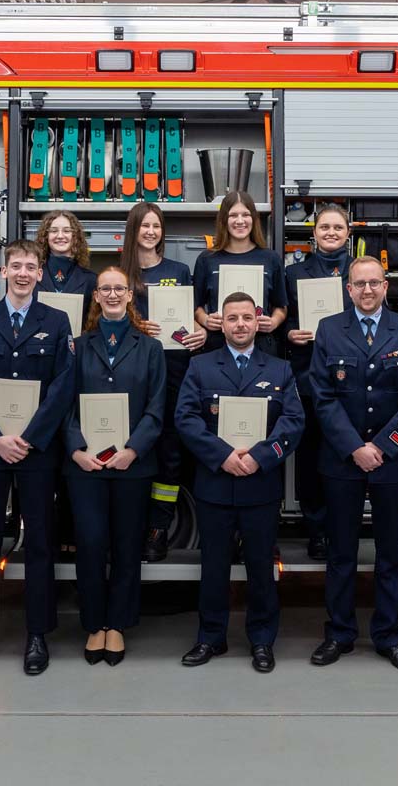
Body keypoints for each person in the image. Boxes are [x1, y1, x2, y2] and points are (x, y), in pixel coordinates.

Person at [0, 240, 75, 676]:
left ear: (40, 274)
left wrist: (28, 437)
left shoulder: (57, 322)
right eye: (16, 266)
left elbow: (63, 386)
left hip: (36, 449)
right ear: (3, 272)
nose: (23, 273)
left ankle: (38, 634)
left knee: (41, 541)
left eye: (30, 267)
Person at [308, 255, 398, 673]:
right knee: (340, 552)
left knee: (391, 553)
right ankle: (339, 633)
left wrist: (382, 447)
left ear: (385, 286)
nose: (366, 290)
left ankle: (388, 636)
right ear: (348, 289)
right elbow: (321, 397)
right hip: (342, 461)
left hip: (390, 462)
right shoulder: (329, 330)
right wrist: (353, 447)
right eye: (358, 284)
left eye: (373, 283)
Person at [175, 292, 303, 673]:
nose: (241, 324)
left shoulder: (280, 369)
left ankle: (262, 640)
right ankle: (210, 637)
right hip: (215, 485)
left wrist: (260, 458)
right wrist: (223, 456)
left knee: (261, 568)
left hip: (260, 486)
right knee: (213, 567)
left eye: (247, 317)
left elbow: (293, 423)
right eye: (232, 318)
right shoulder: (199, 367)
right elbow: (186, 420)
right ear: (223, 323)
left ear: (257, 320)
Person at [64, 267, 165, 665]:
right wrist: (75, 449)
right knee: (90, 544)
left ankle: (118, 624)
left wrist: (133, 449)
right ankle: (94, 624)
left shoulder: (150, 347)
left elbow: (157, 408)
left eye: (118, 288)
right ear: (95, 297)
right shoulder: (76, 346)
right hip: (85, 465)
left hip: (131, 466)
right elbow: (63, 405)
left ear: (129, 296)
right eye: (104, 288)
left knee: (126, 546)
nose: (110, 294)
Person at [120, 202, 207, 562]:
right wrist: (135, 326)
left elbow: (191, 319)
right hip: (131, 376)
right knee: (135, 449)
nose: (151, 232)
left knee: (170, 455)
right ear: (133, 231)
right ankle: (128, 527)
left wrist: (199, 332)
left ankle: (158, 529)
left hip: (174, 371)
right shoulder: (119, 276)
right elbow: (98, 324)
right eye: (144, 226)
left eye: (156, 226)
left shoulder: (180, 270)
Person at [283, 204, 353, 561]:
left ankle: (342, 530)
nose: (330, 232)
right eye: (324, 226)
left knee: (344, 457)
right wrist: (289, 333)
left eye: (337, 227)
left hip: (352, 383)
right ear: (313, 233)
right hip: (308, 377)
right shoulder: (294, 274)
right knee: (310, 458)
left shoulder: (359, 275)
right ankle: (317, 531)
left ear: (348, 232)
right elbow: (280, 320)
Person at [33, 210, 97, 554]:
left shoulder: (89, 279)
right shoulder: (35, 276)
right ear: (45, 237)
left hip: (76, 370)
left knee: (74, 452)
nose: (60, 235)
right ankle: (47, 539)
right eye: (53, 230)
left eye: (66, 230)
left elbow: (95, 325)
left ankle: (73, 537)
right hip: (40, 371)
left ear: (76, 237)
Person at [193, 192, 287, 356]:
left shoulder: (270, 259)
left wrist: (273, 322)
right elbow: (195, 305)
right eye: (233, 215)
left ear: (254, 219)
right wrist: (205, 320)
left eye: (246, 215)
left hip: (261, 346)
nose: (240, 221)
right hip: (217, 346)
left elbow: (281, 306)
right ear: (224, 220)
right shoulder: (207, 259)